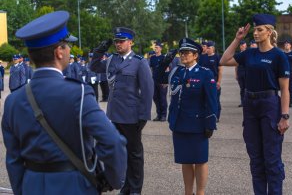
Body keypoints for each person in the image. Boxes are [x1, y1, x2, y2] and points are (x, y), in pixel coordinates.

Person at [1, 11, 127, 195]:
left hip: (32, 185)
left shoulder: (13, 101)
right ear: (59, 52)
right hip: (74, 186)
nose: (69, 49)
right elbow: (112, 141)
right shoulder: (79, 92)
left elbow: (13, 159)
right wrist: (113, 180)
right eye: (67, 45)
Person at [220, 14, 290, 195]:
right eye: (255, 30)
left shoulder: (279, 56)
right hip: (250, 106)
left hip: (270, 105)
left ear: (269, 32)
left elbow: (285, 89)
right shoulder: (249, 53)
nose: (256, 33)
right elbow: (224, 60)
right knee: (255, 157)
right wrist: (237, 38)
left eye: (260, 30)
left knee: (272, 157)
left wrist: (284, 116)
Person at [90, 27, 154, 195]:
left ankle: (135, 190)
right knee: (121, 154)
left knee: (134, 155)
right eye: (116, 41)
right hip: (114, 114)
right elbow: (94, 66)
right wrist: (100, 50)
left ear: (130, 42)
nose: (118, 44)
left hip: (132, 117)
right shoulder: (112, 60)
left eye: (121, 41)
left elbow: (147, 91)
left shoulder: (139, 62)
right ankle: (125, 187)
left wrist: (143, 116)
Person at [160, 38, 217, 195]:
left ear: (195, 55)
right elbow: (157, 77)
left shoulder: (205, 73)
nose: (183, 55)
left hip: (198, 124)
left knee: (200, 160)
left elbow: (212, 101)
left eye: (187, 53)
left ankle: (200, 192)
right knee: (185, 160)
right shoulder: (176, 72)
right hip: (179, 123)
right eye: (181, 53)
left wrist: (210, 123)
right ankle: (187, 192)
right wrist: (166, 61)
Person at [200, 41, 223, 121]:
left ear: (213, 48)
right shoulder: (203, 57)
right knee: (205, 100)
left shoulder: (217, 57)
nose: (207, 49)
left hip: (214, 81)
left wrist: (219, 82)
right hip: (204, 82)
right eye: (207, 48)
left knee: (215, 100)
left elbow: (220, 70)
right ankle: (207, 115)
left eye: (209, 48)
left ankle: (216, 116)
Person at [150, 41, 168, 121]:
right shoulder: (152, 58)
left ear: (160, 48)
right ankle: (158, 114)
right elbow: (150, 68)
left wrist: (166, 81)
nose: (155, 49)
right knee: (155, 97)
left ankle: (163, 115)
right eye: (155, 47)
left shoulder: (164, 58)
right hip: (154, 80)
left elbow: (167, 70)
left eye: (157, 47)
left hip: (162, 81)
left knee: (162, 98)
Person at [283, 40, 292, 107]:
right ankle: (284, 102)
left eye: (288, 44)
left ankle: (291, 102)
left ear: (290, 45)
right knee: (284, 89)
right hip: (283, 74)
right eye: (285, 44)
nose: (286, 45)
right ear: (284, 46)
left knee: (291, 89)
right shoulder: (282, 54)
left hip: (291, 73)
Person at [235, 40, 247, 107]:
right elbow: (236, 65)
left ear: (245, 46)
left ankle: (247, 102)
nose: (242, 46)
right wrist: (236, 74)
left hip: (247, 73)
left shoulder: (248, 53)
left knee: (247, 88)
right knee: (242, 88)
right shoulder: (238, 54)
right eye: (241, 45)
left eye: (243, 45)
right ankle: (242, 102)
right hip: (240, 72)